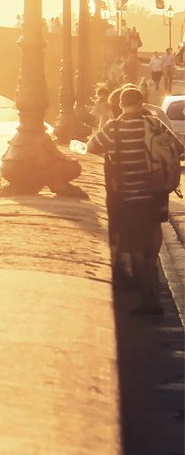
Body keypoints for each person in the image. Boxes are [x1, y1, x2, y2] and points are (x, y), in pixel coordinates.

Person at [87, 86, 184, 315]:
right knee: (151, 252)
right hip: (155, 196)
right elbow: (179, 148)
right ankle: (154, 299)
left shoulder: (114, 128)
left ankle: (149, 302)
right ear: (141, 103)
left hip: (130, 200)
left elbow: (91, 147)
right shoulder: (154, 124)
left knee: (137, 252)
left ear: (121, 104)